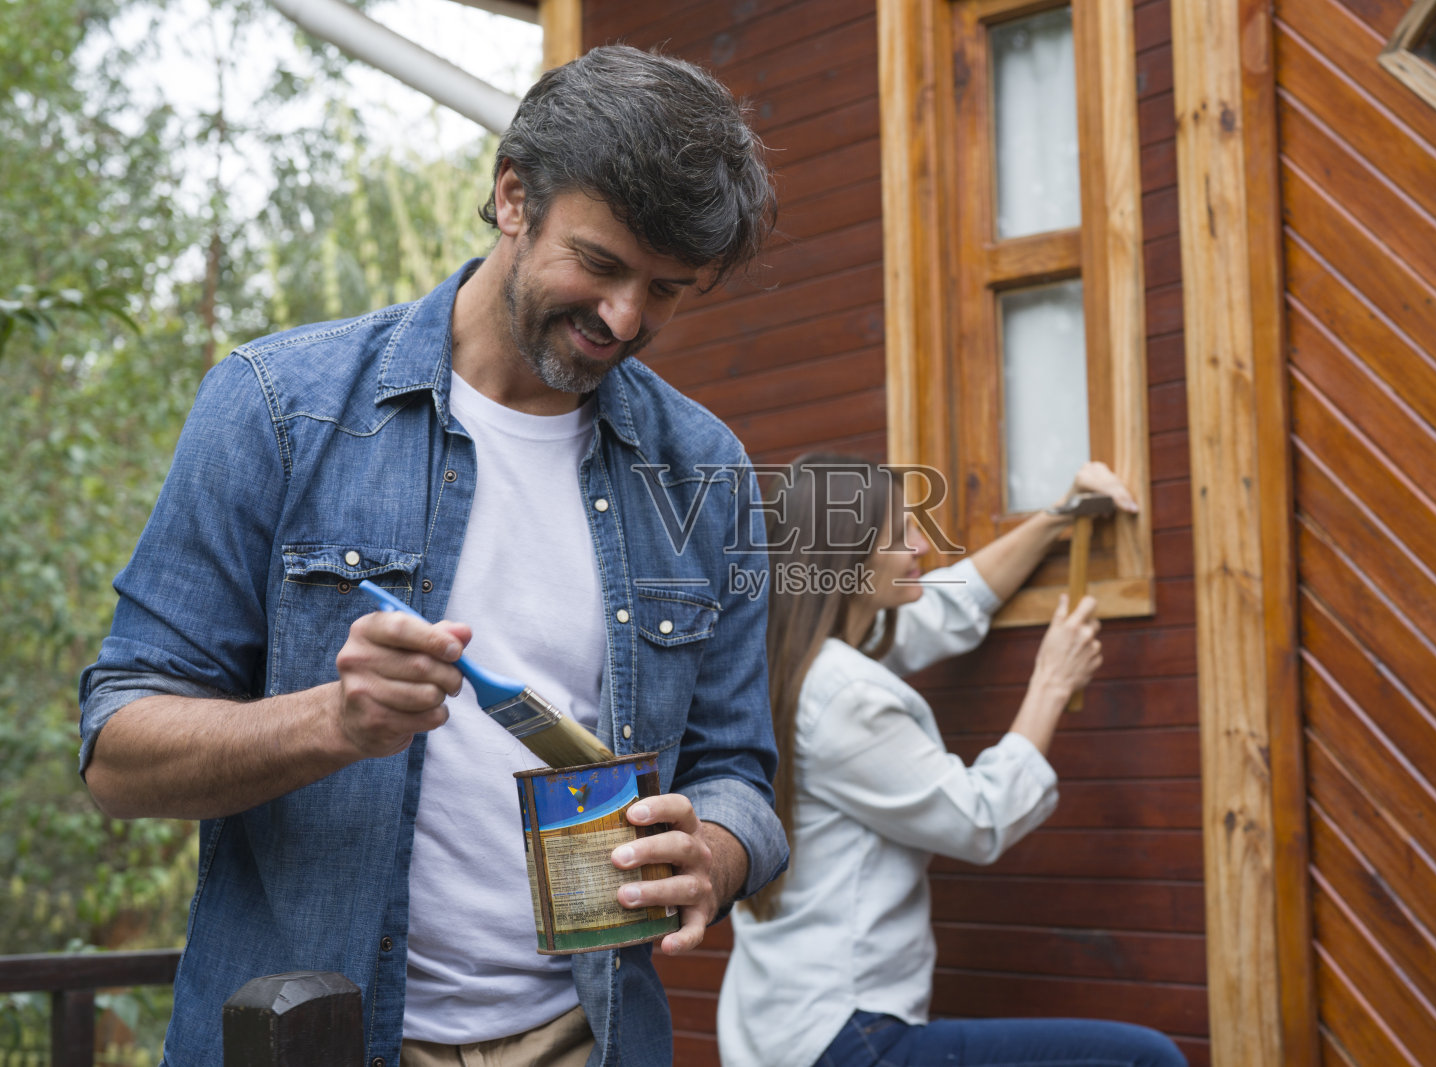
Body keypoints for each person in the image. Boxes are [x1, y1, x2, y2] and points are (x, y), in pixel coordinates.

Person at [78, 46, 785, 1067]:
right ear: (512, 197)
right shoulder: (278, 409)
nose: (624, 318)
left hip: (588, 1039)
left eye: (666, 290)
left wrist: (715, 849)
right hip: (321, 1036)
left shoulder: (701, 466)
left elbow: (737, 773)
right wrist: (332, 717)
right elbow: (117, 756)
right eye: (599, 263)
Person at [717, 454, 1188, 1067]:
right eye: (900, 534)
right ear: (849, 561)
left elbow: (947, 606)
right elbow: (980, 818)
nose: (922, 544)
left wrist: (1059, 516)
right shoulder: (845, 696)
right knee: (1143, 1060)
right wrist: (1050, 683)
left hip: (779, 1025)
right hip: (846, 1036)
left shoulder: (786, 662)